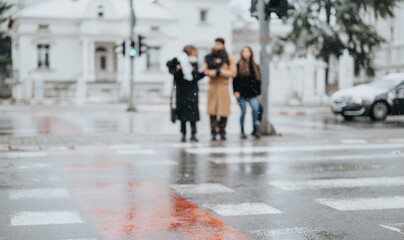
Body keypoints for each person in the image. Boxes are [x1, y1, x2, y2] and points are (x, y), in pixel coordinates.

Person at [167, 45, 205, 142]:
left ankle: (193, 133)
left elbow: (195, 76)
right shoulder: (179, 61)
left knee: (192, 115)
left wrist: (204, 73)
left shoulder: (194, 63)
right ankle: (183, 134)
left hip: (192, 92)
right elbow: (173, 72)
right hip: (182, 92)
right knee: (183, 115)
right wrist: (178, 68)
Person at [204, 38, 237, 141]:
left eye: (218, 44)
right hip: (213, 87)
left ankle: (222, 131)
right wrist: (215, 73)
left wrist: (221, 72)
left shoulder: (228, 58)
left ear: (223, 45)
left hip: (223, 87)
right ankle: (213, 132)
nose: (216, 46)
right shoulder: (209, 57)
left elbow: (233, 72)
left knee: (224, 112)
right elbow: (206, 71)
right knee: (212, 112)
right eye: (215, 44)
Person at [233, 46, 262, 139]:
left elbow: (258, 80)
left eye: (247, 51)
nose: (246, 53)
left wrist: (258, 93)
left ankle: (255, 129)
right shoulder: (238, 65)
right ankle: (242, 130)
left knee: (255, 109)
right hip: (241, 93)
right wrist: (235, 91)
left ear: (251, 53)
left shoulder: (255, 66)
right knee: (243, 111)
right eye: (244, 51)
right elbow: (235, 80)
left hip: (252, 93)